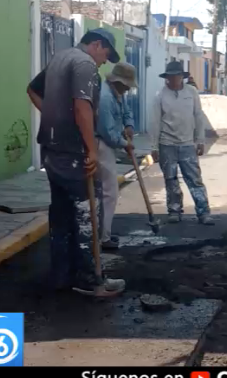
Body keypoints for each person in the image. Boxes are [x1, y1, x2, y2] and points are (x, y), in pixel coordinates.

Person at [26, 28, 126, 297]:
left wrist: (53, 118)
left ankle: (61, 276)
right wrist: (91, 150)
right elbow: (82, 107)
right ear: (97, 44)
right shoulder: (85, 65)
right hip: (72, 154)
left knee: (61, 215)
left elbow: (32, 90)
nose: (104, 61)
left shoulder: (61, 58)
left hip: (52, 150)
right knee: (86, 216)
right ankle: (90, 279)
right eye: (106, 54)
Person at [149, 61, 214, 225]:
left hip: (187, 144)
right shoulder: (160, 95)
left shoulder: (191, 92)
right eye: (169, 77)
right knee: (170, 179)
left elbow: (198, 116)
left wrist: (200, 140)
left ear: (181, 77)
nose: (172, 80)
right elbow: (155, 122)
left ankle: (203, 212)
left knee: (194, 179)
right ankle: (174, 210)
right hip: (166, 143)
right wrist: (153, 147)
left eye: (175, 76)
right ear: (166, 78)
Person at [95, 62, 138, 250]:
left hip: (107, 142)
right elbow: (108, 132)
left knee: (104, 191)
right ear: (118, 82)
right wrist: (125, 144)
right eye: (127, 84)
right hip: (99, 144)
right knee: (109, 191)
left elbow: (127, 112)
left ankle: (99, 232)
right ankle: (104, 237)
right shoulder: (105, 97)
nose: (128, 88)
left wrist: (129, 125)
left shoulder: (118, 93)